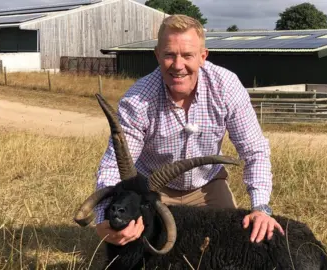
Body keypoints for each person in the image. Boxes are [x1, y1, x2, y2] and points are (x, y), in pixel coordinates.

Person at [94, 14, 285, 247]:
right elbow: (115, 165)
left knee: (233, 244)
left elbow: (254, 150)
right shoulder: (137, 100)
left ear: (203, 56)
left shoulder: (226, 87)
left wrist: (260, 208)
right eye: (169, 55)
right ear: (157, 55)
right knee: (138, 248)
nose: (178, 65)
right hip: (152, 192)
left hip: (207, 186)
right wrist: (104, 218)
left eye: (187, 55)